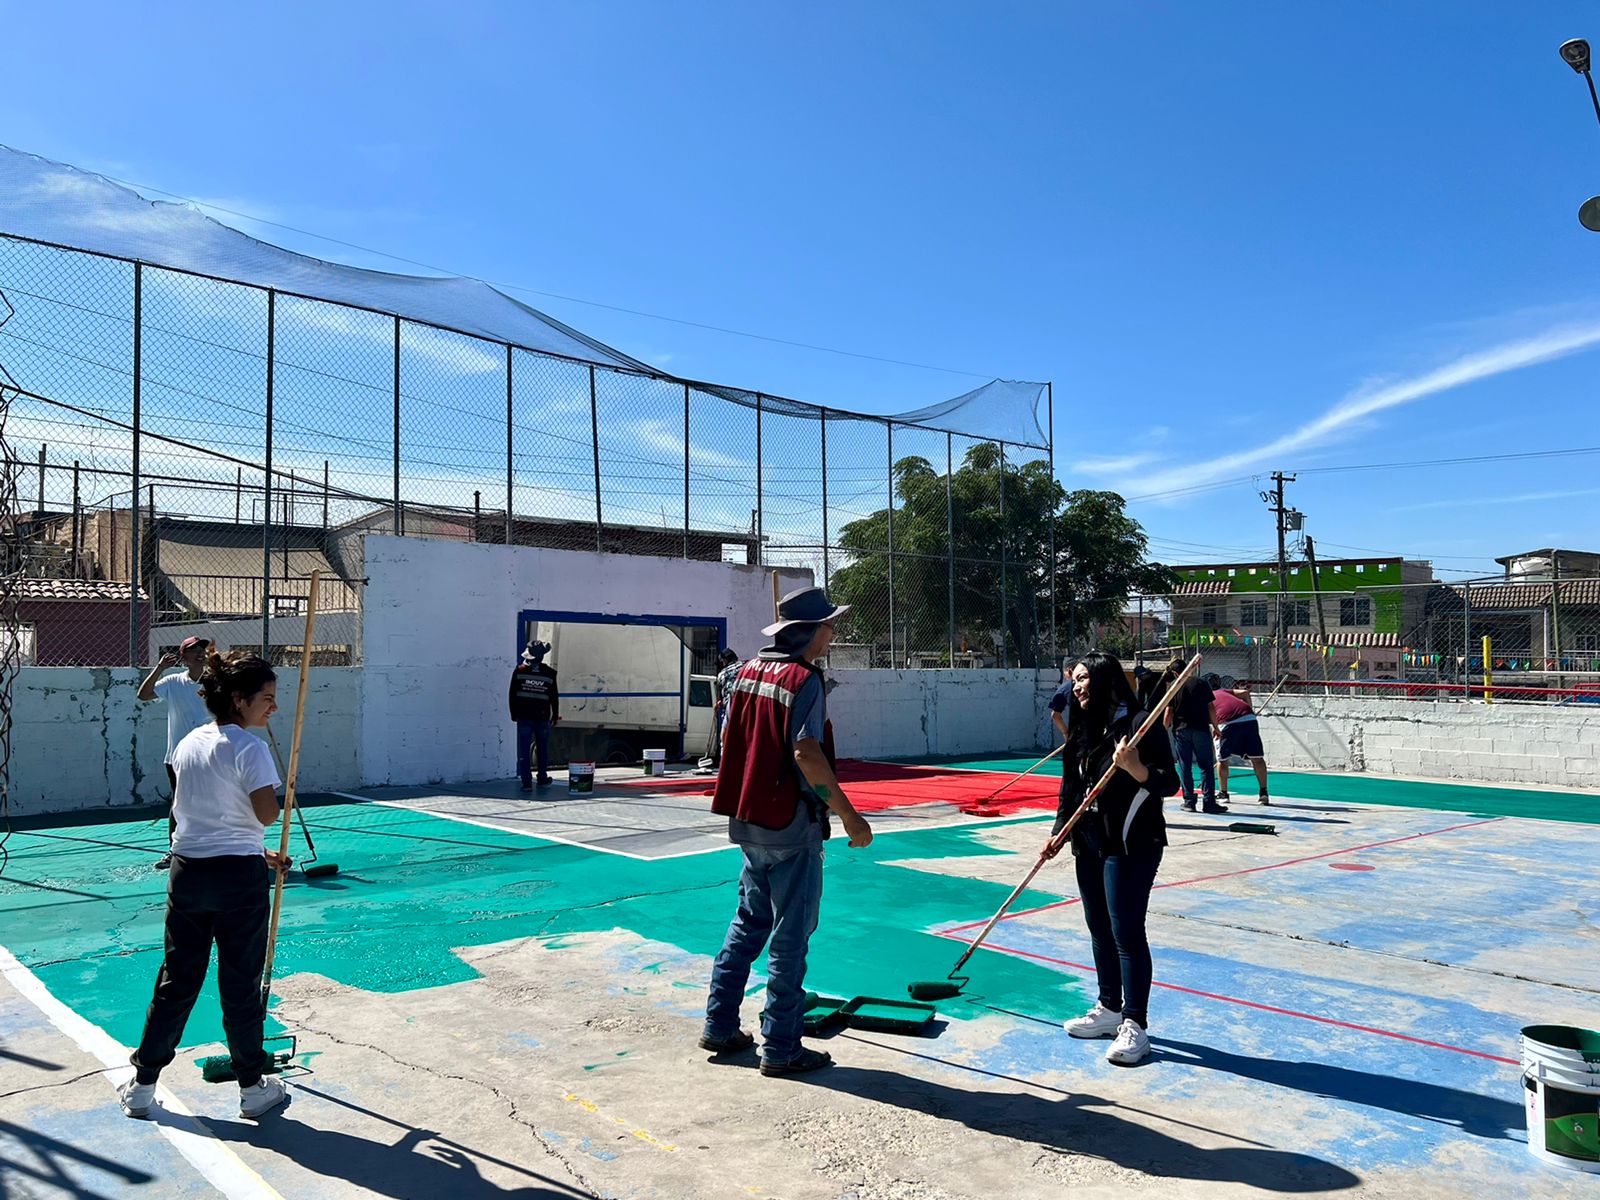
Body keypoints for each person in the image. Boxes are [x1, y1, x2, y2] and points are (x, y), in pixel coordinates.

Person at [703, 586, 874, 1076]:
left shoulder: (742, 674)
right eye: (829, 625)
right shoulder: (804, 680)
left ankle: (719, 1024)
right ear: (811, 631)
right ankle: (780, 1046)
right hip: (791, 824)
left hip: (749, 819)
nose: (833, 633)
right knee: (789, 936)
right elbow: (806, 752)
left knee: (748, 924)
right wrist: (847, 814)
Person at [118, 650, 290, 1121]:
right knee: (239, 983)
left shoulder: (190, 743)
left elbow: (197, 815)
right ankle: (253, 1088)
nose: (273, 707)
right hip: (236, 880)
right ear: (239, 699)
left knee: (177, 981)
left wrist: (260, 852)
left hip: (189, 873)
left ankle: (142, 1085)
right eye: (267, 699)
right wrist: (273, 809)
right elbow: (265, 814)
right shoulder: (250, 749)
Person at [1049, 651, 1179, 1066]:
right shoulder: (1083, 729)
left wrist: (1136, 769)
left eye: (1085, 679)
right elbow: (1071, 787)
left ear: (1105, 680)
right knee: (1098, 926)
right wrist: (1059, 831)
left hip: (1131, 844)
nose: (1077, 686)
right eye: (1075, 680)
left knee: (1126, 931)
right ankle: (1108, 1008)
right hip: (1088, 841)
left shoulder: (1140, 725)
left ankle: (1135, 1026)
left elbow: (1169, 783)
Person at [136, 636, 212, 870]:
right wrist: (159, 668)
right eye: (193, 650)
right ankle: (175, 850)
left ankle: (211, 849)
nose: (200, 653)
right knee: (180, 803)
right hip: (178, 756)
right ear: (183, 657)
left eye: (202, 649)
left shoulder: (215, 682)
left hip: (210, 754)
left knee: (212, 801)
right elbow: (144, 694)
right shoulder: (173, 682)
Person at [1164, 664, 1223, 813]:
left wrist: (1163, 730)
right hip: (1201, 728)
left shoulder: (1173, 686)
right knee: (1206, 766)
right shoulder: (1201, 683)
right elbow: (1211, 707)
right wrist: (1216, 727)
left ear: (1176, 673)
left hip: (1181, 730)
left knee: (1185, 766)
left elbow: (1169, 711)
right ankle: (1209, 801)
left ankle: (1189, 801)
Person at [508, 641, 560, 790]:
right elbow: (554, 697)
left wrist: (514, 714)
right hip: (542, 718)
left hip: (524, 717)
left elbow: (512, 695)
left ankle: (526, 783)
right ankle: (542, 778)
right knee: (542, 749)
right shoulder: (550, 673)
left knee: (524, 750)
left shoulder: (519, 671)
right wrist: (555, 715)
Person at [1214, 680, 1271, 805]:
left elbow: (1210, 716)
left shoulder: (1205, 697)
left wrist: (1215, 728)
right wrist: (1251, 712)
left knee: (1222, 760)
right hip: (1249, 719)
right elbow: (1245, 693)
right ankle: (1264, 793)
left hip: (1227, 722)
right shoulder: (1223, 691)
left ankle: (1223, 793)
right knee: (1257, 758)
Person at [699, 648, 743, 771]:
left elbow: (723, 697)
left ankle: (725, 768)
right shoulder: (746, 667)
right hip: (750, 708)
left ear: (723, 661)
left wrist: (718, 703)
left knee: (725, 738)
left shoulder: (722, 674)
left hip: (732, 709)